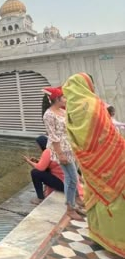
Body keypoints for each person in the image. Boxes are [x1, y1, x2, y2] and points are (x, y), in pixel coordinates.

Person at [64, 73, 125, 258]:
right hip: (108, 160)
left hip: (88, 164)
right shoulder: (94, 105)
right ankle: (118, 242)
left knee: (94, 195)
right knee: (114, 198)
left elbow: (74, 139)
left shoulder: (70, 109)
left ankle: (97, 238)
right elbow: (107, 133)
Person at [42, 86, 84, 221]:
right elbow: (53, 136)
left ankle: (76, 199)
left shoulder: (62, 111)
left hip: (70, 147)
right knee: (71, 177)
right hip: (60, 150)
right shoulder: (49, 115)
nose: (66, 100)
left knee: (72, 177)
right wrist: (60, 154)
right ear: (56, 99)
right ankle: (70, 208)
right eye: (64, 97)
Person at [24, 135, 65, 203]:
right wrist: (37, 161)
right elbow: (49, 164)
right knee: (41, 171)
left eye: (37, 145)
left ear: (41, 144)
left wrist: (29, 161)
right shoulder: (54, 149)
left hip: (62, 184)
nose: (37, 147)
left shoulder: (48, 151)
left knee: (35, 173)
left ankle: (40, 198)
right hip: (66, 182)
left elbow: (40, 168)